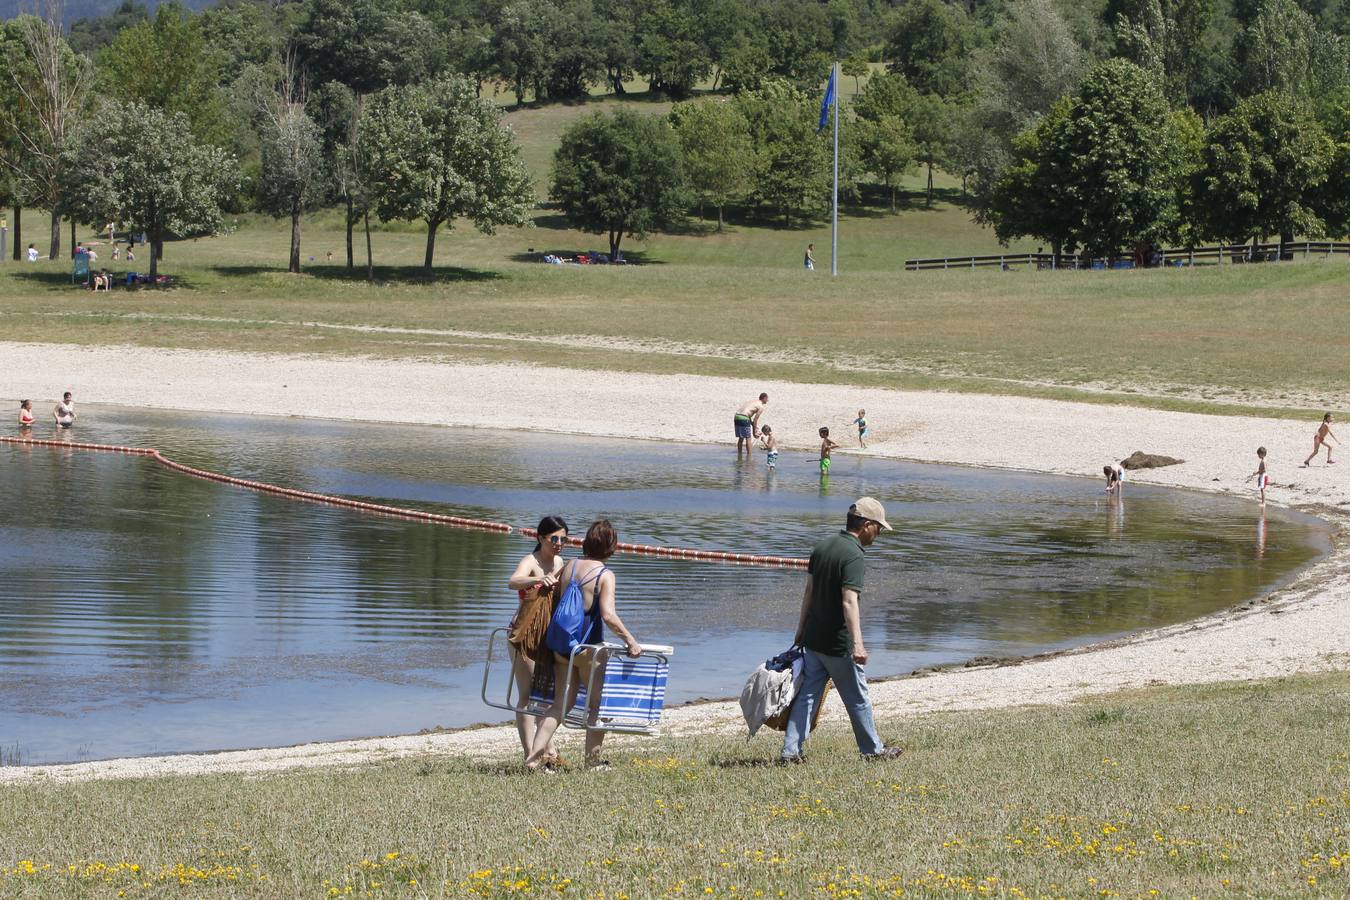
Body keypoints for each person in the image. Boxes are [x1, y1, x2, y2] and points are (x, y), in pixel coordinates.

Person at [781, 498, 903, 764]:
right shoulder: (854, 555)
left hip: (814, 639)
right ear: (866, 525)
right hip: (838, 644)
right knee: (858, 698)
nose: (879, 534)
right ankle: (873, 751)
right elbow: (849, 601)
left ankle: (790, 752)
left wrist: (800, 629)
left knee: (808, 696)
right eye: (878, 528)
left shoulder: (823, 547)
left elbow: (809, 592)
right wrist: (858, 644)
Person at [525, 519, 641, 772]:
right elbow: (608, 615)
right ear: (611, 546)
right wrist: (630, 641)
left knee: (559, 705)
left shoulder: (569, 565)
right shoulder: (605, 574)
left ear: (587, 541)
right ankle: (592, 762)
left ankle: (533, 759)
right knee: (597, 705)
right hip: (588, 649)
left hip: (561, 645)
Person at [506, 515, 569, 765]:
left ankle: (546, 752)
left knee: (545, 694)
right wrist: (537, 579)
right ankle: (529, 754)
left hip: (547, 636)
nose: (559, 543)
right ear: (541, 538)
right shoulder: (531, 561)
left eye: (564, 539)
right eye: (554, 538)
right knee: (528, 694)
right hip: (523, 635)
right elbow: (513, 581)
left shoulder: (560, 561)